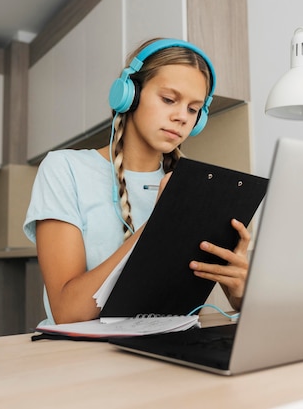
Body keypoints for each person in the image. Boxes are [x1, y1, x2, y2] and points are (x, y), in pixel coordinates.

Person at [23, 38, 250, 325]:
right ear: (129, 94)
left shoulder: (197, 188)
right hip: (82, 357)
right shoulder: (64, 168)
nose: (182, 117)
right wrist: (161, 221)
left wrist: (240, 288)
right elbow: (68, 312)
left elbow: (222, 304)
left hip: (171, 349)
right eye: (169, 99)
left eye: (194, 109)